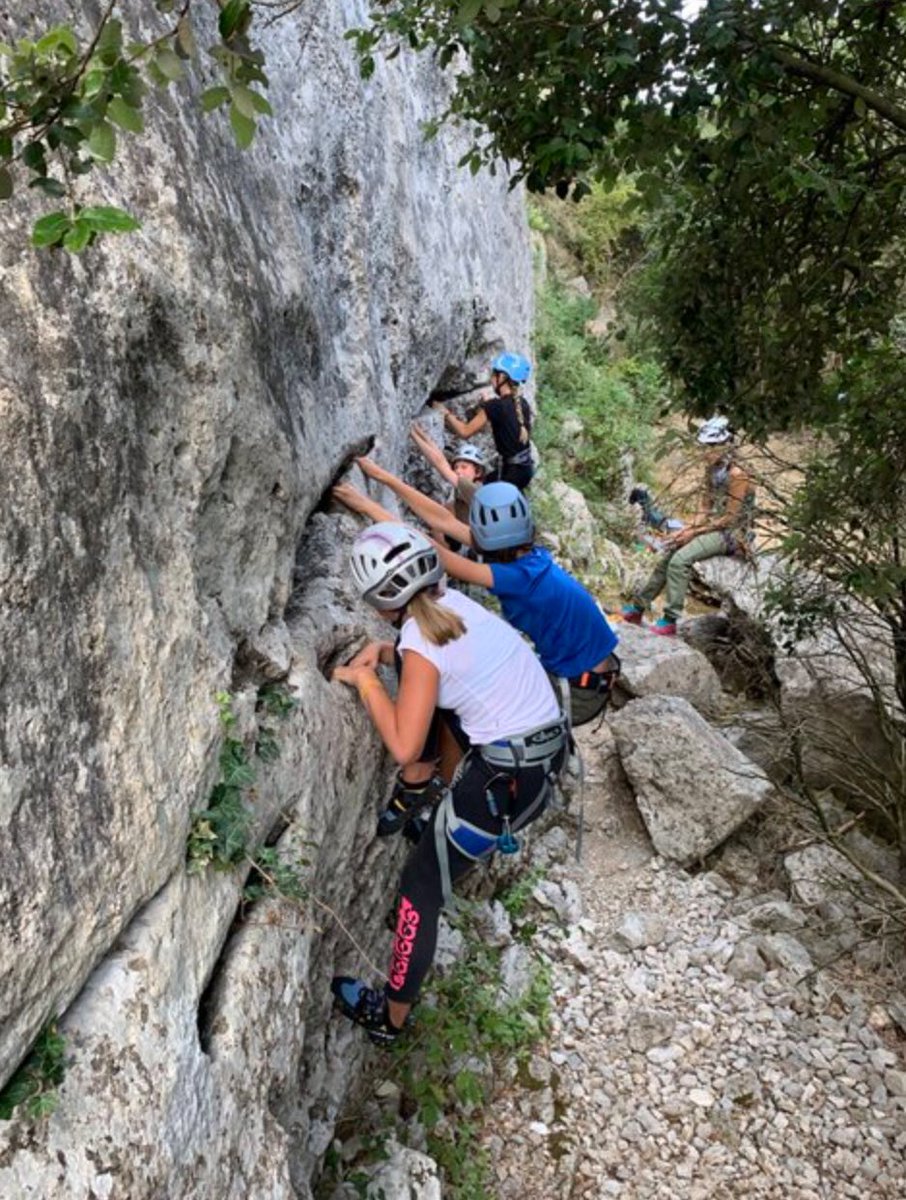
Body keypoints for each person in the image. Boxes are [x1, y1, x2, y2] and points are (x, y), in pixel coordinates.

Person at [331, 522, 567, 1045]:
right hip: (536, 759)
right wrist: (391, 653)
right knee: (449, 716)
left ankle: (389, 1020)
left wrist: (367, 679)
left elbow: (402, 744)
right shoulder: (457, 604)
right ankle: (425, 794)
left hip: (504, 779)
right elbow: (447, 664)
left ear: (378, 601)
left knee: (420, 891)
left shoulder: (420, 639)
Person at [334, 466, 620, 727]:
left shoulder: (517, 579)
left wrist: (366, 504)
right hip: (593, 679)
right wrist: (385, 477)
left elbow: (429, 548)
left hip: (577, 691)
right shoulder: (527, 557)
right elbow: (443, 519)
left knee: (458, 694)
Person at [622, 416, 756, 636]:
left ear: (724, 445)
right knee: (669, 555)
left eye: (711, 447)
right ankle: (638, 607)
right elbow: (704, 508)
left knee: (680, 561)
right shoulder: (712, 470)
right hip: (714, 526)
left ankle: (670, 619)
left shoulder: (737, 474)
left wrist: (694, 532)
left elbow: (731, 518)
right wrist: (685, 531)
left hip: (733, 534)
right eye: (704, 447)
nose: (706, 452)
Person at [432, 351, 534, 490]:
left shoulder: (495, 407)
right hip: (524, 470)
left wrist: (445, 413)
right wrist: (489, 407)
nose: (491, 379)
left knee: (475, 492)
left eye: (493, 374)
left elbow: (464, 431)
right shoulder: (523, 404)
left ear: (502, 377)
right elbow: (506, 426)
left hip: (510, 473)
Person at [409, 421, 487, 524]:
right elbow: (441, 459)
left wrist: (413, 434)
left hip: (472, 538)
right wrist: (419, 433)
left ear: (478, 472)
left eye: (464, 467)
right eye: (456, 467)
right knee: (445, 509)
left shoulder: (472, 489)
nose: (458, 471)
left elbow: (440, 464)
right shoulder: (475, 488)